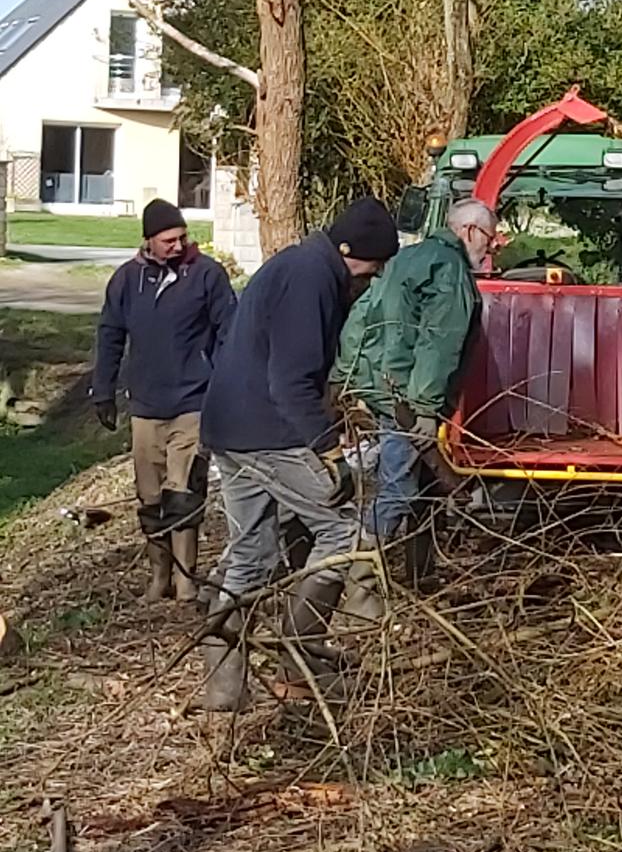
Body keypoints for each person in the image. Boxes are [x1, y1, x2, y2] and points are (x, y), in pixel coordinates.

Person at [194, 198, 399, 709]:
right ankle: (302, 654)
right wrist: (328, 448)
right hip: (267, 431)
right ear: (354, 254)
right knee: (344, 530)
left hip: (230, 427)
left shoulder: (300, 265)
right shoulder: (312, 278)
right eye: (372, 270)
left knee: (251, 555)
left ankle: (224, 685)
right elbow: (289, 382)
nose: (372, 280)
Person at [91, 200, 236, 602]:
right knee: (151, 498)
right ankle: (159, 577)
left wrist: (222, 385)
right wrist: (102, 390)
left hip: (193, 402)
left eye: (182, 237)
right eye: (168, 239)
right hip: (146, 406)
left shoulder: (207, 275)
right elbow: (109, 335)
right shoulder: (126, 280)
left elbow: (229, 331)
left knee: (184, 492)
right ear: (149, 240)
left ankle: (187, 579)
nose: (178, 245)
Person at [334, 197, 496, 552]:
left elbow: (364, 320)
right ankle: (353, 565)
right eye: (489, 236)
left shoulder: (405, 259)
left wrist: (350, 377)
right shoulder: (450, 272)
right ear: (469, 231)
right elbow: (438, 343)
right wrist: (424, 409)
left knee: (412, 485)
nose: (490, 247)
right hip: (407, 399)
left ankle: (412, 570)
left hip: (380, 387)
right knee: (400, 488)